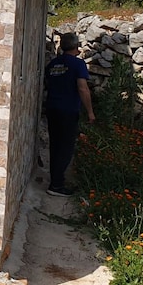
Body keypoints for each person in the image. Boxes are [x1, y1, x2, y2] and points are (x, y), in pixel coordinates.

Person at [44, 31, 95, 197]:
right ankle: (57, 185)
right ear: (76, 47)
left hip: (52, 108)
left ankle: (56, 180)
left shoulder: (52, 64)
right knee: (66, 147)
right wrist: (90, 112)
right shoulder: (78, 64)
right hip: (68, 110)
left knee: (55, 145)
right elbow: (82, 88)